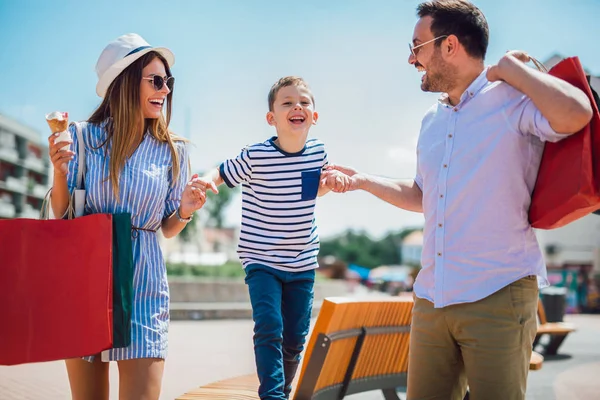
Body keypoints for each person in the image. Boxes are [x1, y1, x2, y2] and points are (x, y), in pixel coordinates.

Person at [322, 1, 593, 399]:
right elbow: (422, 196)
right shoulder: (431, 121)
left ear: (449, 46)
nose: (411, 58)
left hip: (498, 291)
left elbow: (577, 113)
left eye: (417, 46)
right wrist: (363, 181)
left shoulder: (511, 99)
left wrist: (511, 70)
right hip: (433, 298)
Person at [47, 33, 207, 400]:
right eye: (155, 80)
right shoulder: (84, 138)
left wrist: (184, 211)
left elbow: (167, 229)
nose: (164, 90)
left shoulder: (174, 151)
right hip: (87, 281)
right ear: (124, 83)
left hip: (144, 284)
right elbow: (62, 211)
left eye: (168, 82)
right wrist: (58, 171)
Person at [192, 76, 348, 400]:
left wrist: (327, 185)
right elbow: (222, 171)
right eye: (287, 102)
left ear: (314, 116)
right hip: (261, 259)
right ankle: (273, 395)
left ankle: (283, 391)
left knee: (294, 337)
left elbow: (309, 193)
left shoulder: (318, 152)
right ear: (271, 118)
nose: (297, 107)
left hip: (302, 260)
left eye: (304, 102)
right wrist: (206, 181)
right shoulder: (256, 155)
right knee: (269, 327)